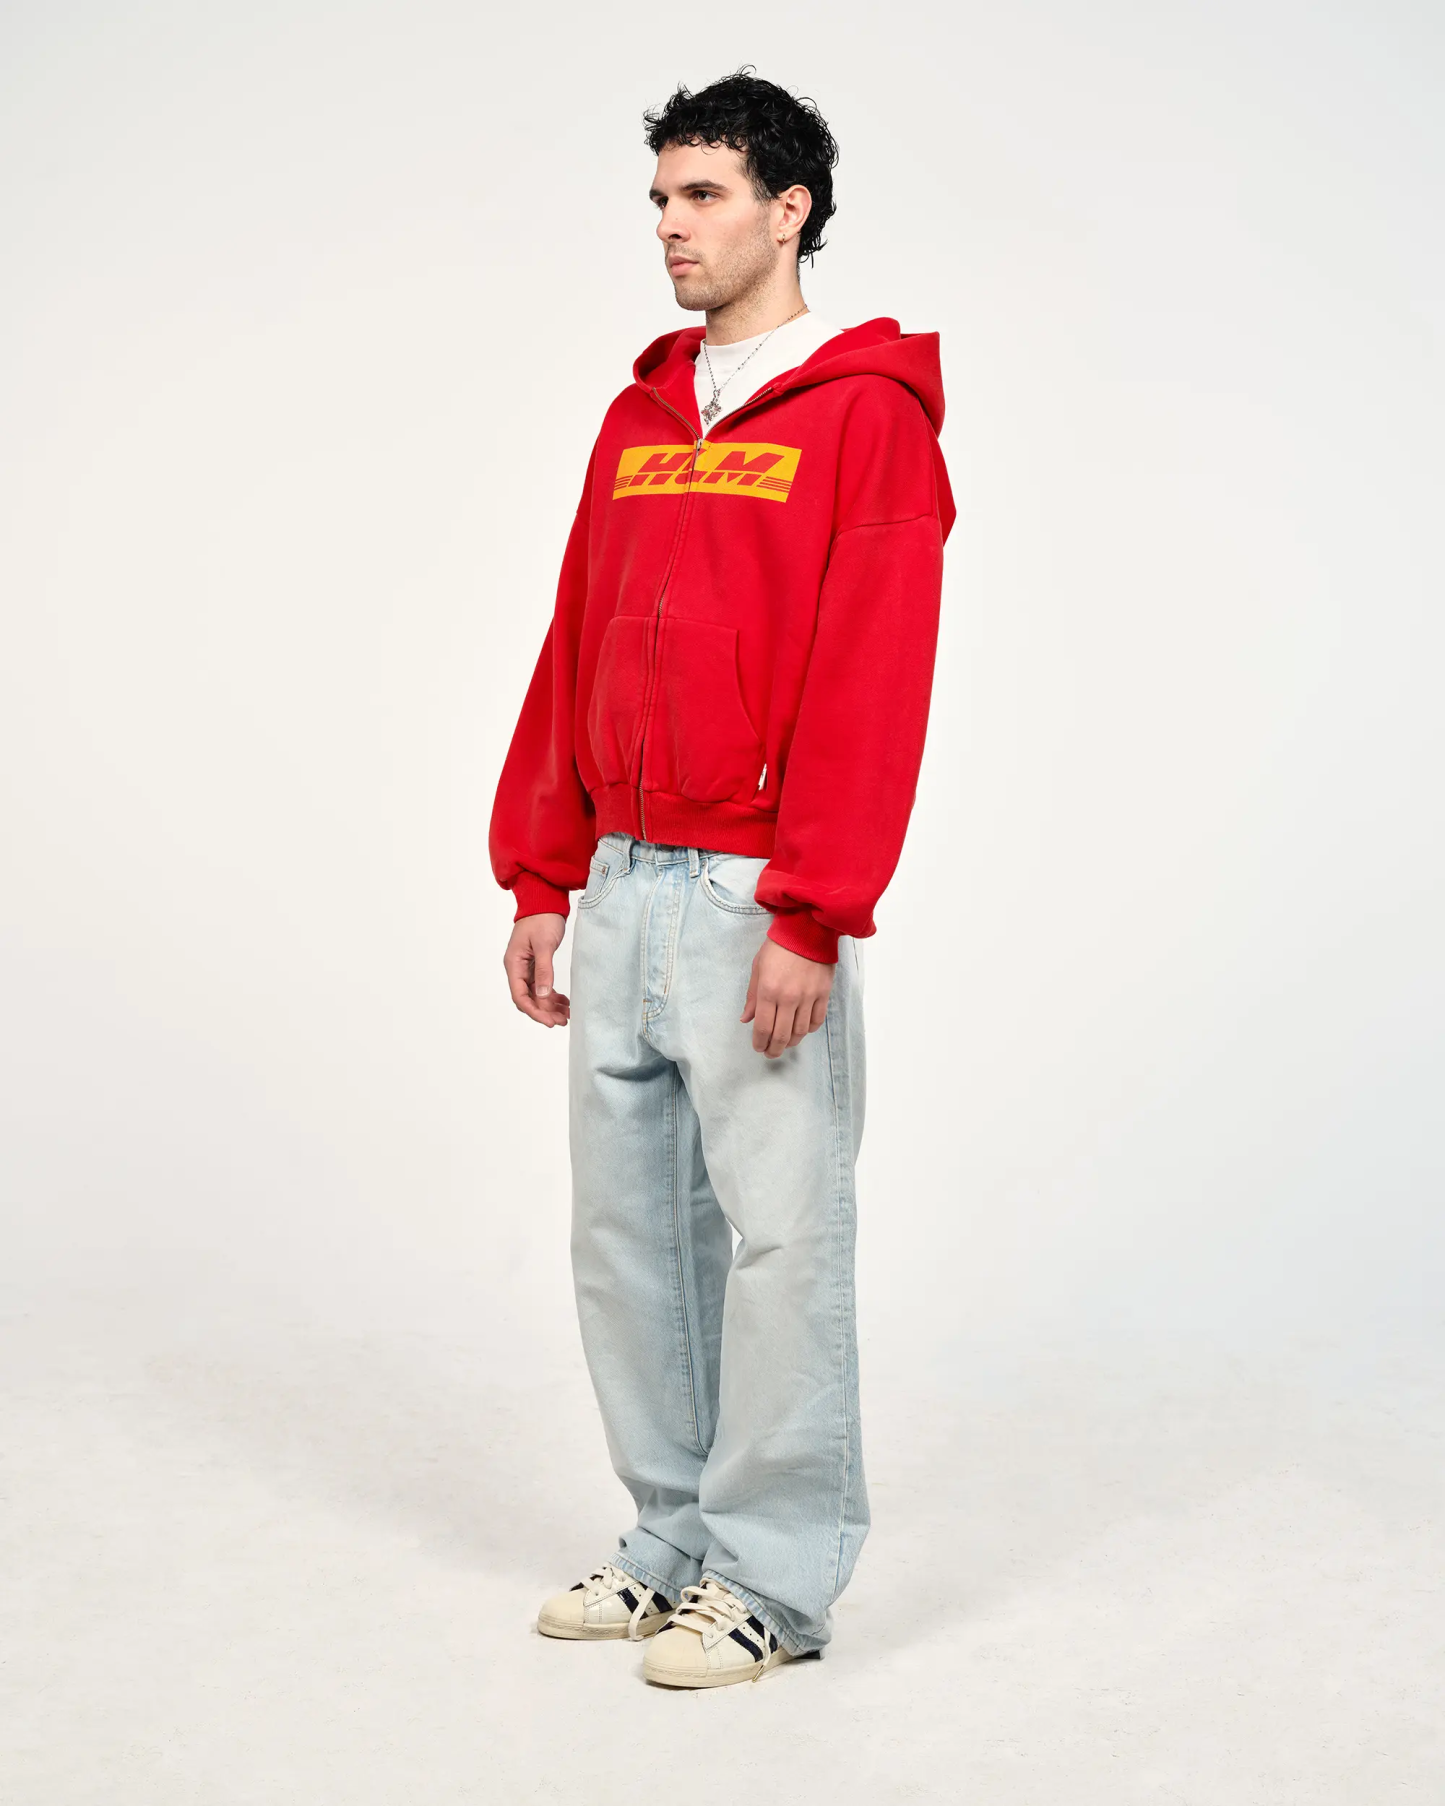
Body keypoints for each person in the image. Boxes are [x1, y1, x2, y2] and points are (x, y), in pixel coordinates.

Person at [488, 67, 955, 1688]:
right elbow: (573, 638)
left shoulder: (864, 417)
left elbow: (873, 674)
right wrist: (540, 872)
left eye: (703, 197)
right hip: (619, 882)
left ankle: (775, 1577)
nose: (671, 229)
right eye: (660, 200)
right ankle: (671, 1537)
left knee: (781, 1243)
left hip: (757, 895)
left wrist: (814, 906)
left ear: (788, 208)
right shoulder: (639, 415)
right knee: (628, 1242)